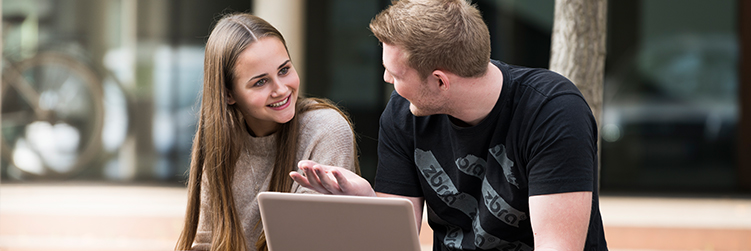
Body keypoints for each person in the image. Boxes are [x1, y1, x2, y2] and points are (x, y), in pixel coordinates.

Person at [290, 0, 608, 250]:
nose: (387, 79)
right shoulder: (403, 115)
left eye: (396, 74)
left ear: (440, 81)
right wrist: (369, 204)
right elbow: (396, 241)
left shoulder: (552, 110)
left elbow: (557, 247)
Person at [175, 13, 360, 251]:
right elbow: (206, 243)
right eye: (260, 82)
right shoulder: (220, 145)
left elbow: (314, 241)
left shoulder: (326, 130)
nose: (281, 89)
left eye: (284, 70)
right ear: (228, 94)